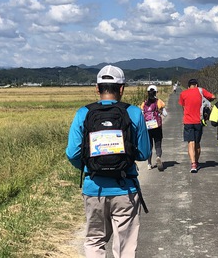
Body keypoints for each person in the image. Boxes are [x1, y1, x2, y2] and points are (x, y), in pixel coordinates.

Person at [66, 65, 151, 257]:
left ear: (97, 88)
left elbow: (72, 154)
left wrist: (89, 165)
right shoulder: (134, 113)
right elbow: (144, 153)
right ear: (122, 88)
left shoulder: (83, 113)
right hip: (125, 188)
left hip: (93, 187)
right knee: (125, 246)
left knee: (94, 240)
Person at [178, 78, 216, 173]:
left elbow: (183, 106)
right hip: (199, 121)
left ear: (188, 86)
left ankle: (193, 164)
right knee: (197, 143)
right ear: (196, 85)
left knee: (191, 143)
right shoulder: (201, 91)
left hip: (188, 121)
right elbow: (213, 96)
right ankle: (197, 162)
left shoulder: (183, 93)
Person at [140, 84, 167, 171]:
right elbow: (165, 114)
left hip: (147, 127)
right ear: (156, 92)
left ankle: (149, 164)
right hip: (157, 126)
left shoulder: (144, 103)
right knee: (158, 144)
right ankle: (158, 156)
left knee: (149, 145)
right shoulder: (159, 102)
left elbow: (141, 114)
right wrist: (159, 113)